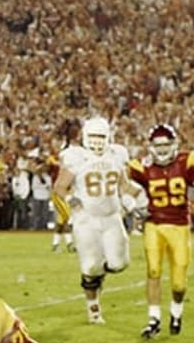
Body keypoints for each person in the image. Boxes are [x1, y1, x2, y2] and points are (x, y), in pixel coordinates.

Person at [127, 123, 194, 339]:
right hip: (154, 224)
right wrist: (133, 204)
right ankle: (153, 318)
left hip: (179, 226)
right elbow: (129, 190)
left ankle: (176, 311)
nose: (163, 149)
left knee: (178, 282)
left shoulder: (187, 162)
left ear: (174, 145)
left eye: (166, 145)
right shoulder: (141, 167)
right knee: (153, 271)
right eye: (159, 145)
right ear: (151, 146)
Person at [52, 115, 139, 324]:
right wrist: (71, 199)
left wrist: (130, 198)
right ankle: (94, 309)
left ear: (108, 137)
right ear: (85, 137)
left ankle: (100, 276)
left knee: (119, 263)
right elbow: (59, 186)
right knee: (90, 267)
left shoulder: (117, 156)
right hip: (86, 219)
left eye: (101, 137)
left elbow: (126, 185)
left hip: (112, 217)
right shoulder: (76, 158)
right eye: (93, 137)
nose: (97, 141)